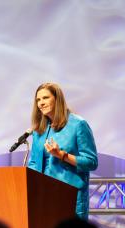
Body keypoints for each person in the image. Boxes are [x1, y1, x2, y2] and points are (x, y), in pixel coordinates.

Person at [27, 82, 98, 219]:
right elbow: (34, 164)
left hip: (69, 197)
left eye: (45, 98)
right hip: (43, 197)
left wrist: (61, 155)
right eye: (38, 100)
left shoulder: (78, 124)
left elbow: (92, 162)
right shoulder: (39, 130)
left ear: (57, 98)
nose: (40, 103)